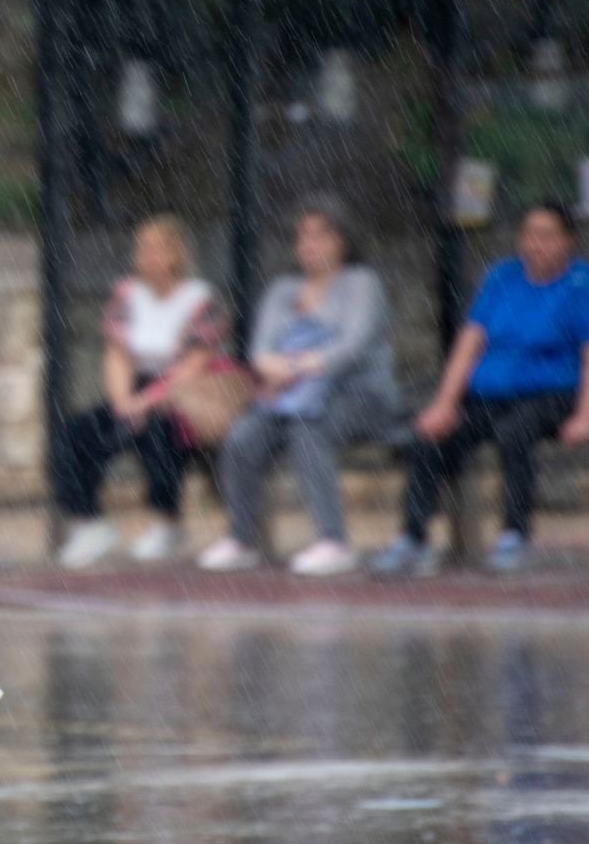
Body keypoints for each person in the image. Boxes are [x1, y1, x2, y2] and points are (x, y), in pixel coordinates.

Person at [372, 203, 589, 577]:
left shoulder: (580, 284)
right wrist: (443, 404)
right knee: (429, 437)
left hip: (550, 393)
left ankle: (514, 536)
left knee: (514, 433)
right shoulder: (501, 278)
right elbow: (468, 345)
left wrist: (585, 415)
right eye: (529, 234)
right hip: (488, 394)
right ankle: (413, 538)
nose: (535, 244)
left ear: (567, 241)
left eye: (546, 235)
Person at [198, 195, 403, 576]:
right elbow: (260, 351)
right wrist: (275, 369)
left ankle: (333, 541)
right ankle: (242, 539)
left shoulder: (361, 283)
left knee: (309, 429)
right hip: (288, 395)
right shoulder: (281, 289)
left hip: (359, 393)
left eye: (320, 235)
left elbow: (352, 347)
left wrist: (297, 367)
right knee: (243, 436)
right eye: (303, 236)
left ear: (342, 240)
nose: (309, 244)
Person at [56, 216, 227, 568]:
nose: (147, 255)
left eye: (157, 248)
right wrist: (122, 401)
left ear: (177, 254)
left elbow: (194, 364)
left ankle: (168, 523)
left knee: (160, 433)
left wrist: (148, 402)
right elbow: (116, 353)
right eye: (143, 247)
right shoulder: (127, 295)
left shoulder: (200, 300)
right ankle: (86, 522)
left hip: (182, 397)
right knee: (76, 433)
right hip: (133, 390)